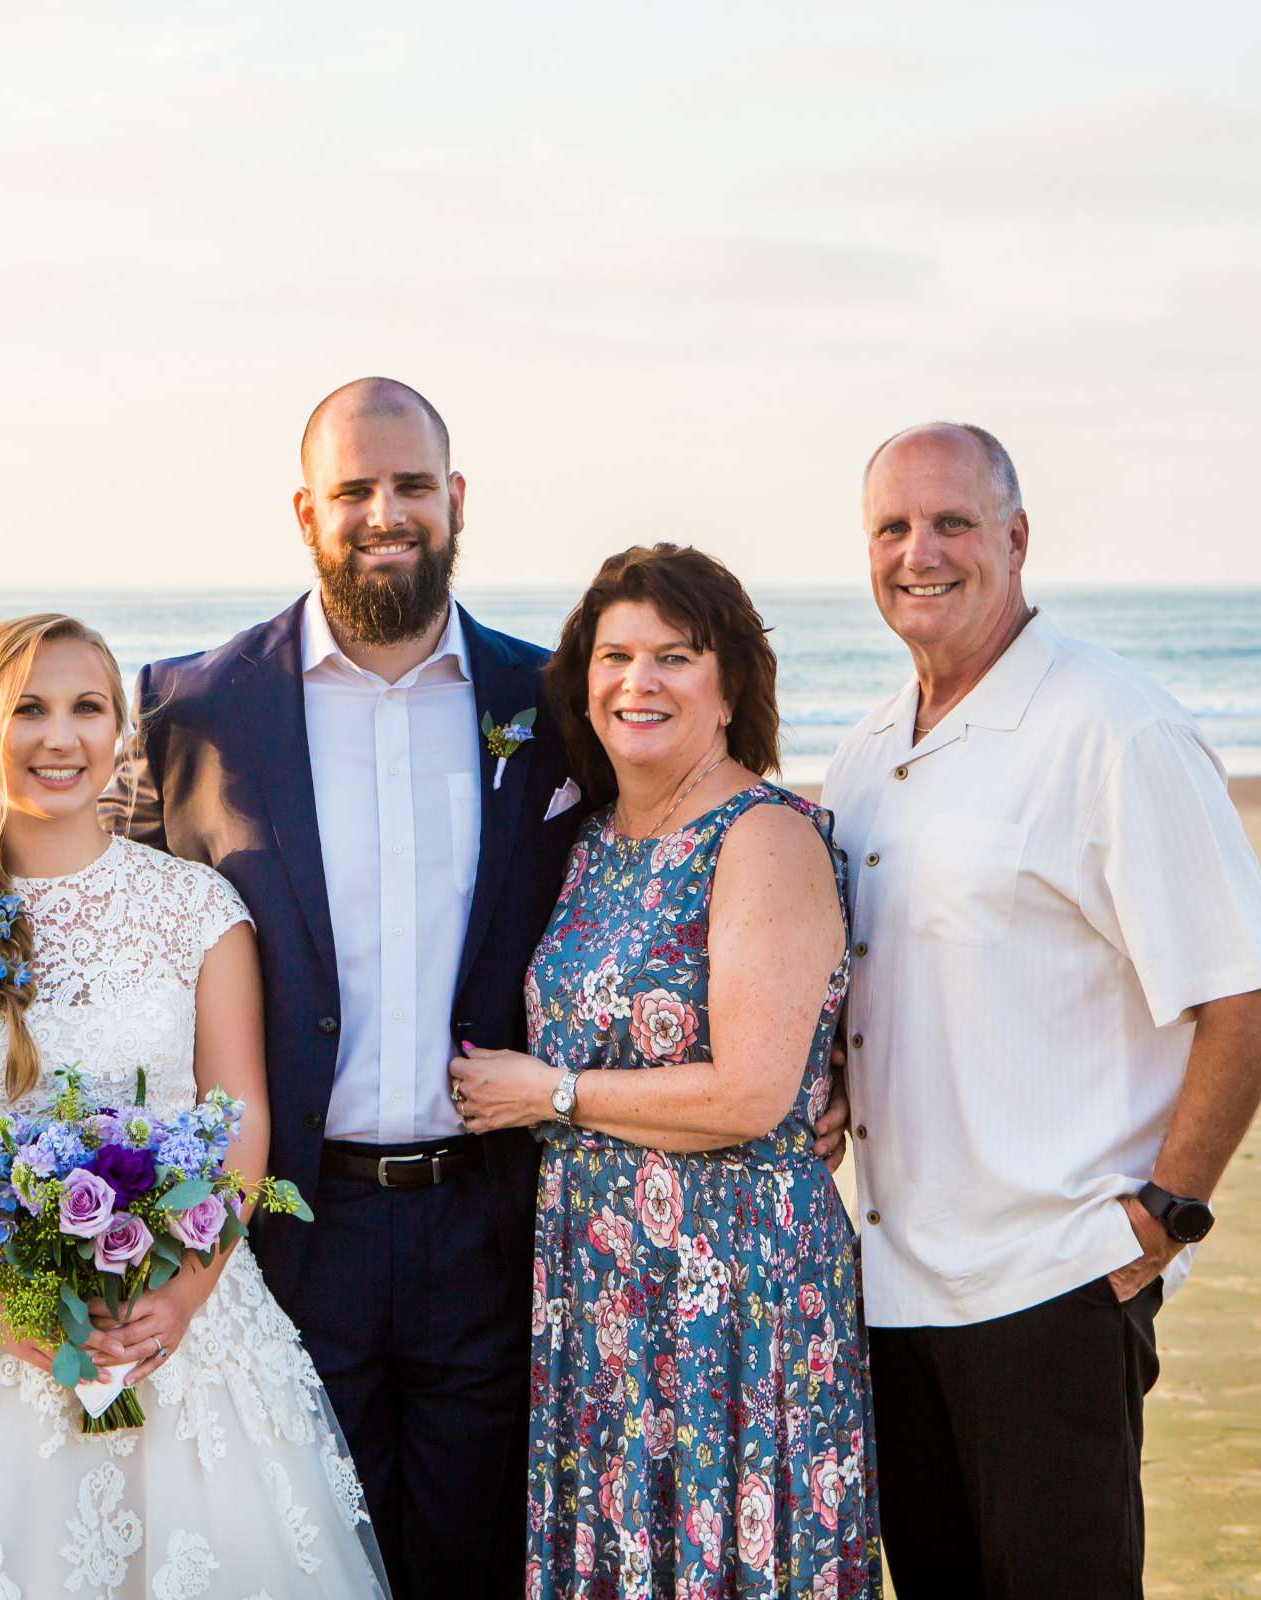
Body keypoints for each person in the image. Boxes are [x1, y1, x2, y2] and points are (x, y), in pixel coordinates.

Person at [0, 614, 387, 1599]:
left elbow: (241, 1124)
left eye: (86, 707)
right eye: (28, 708)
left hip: (182, 1329)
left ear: (120, 731)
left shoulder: (200, 910)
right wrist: (18, 1313)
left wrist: (180, 1296)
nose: (60, 737)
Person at [100, 378, 582, 1596]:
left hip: (496, 1222)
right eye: (356, 489)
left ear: (456, 500)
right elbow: (103, 935)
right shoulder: (190, 707)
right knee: (303, 1553)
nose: (386, 512)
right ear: (306, 509)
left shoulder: (554, 701)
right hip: (285, 1229)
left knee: (480, 1556)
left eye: (412, 486)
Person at [824, 423, 1261, 1597]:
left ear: (1016, 538)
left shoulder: (1112, 727)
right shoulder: (865, 749)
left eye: (952, 523)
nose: (919, 552)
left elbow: (1248, 987)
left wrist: (1169, 1209)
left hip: (1050, 1285)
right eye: (892, 527)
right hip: (886, 1291)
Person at [448, 544, 881, 1595]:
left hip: (728, 1292)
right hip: (603, 1288)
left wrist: (549, 1094)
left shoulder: (762, 835)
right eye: (615, 656)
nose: (637, 683)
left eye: (673, 656)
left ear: (730, 683)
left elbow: (751, 1093)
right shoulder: (593, 838)